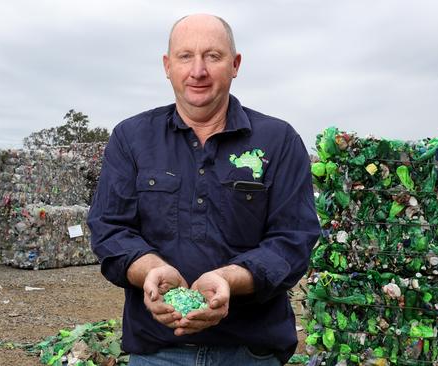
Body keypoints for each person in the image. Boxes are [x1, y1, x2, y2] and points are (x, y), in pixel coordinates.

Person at [87, 13, 320, 366]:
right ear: (167, 66)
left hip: (251, 353)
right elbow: (109, 228)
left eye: (213, 56)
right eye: (185, 57)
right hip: (157, 353)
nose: (198, 71)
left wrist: (227, 279)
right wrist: (150, 270)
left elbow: (293, 239)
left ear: (235, 64)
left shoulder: (279, 141)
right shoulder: (131, 138)